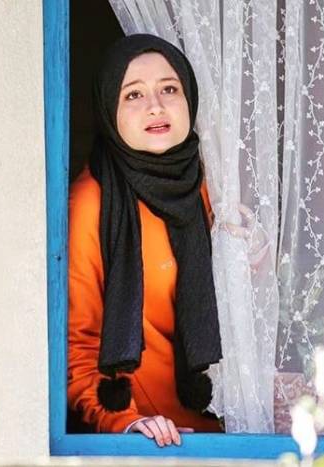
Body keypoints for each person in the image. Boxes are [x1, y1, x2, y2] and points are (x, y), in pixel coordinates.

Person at [67, 34, 223, 447]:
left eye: (169, 89)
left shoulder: (215, 185)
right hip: (153, 439)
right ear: (108, 108)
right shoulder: (92, 203)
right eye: (133, 94)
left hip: (233, 429)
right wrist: (126, 423)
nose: (155, 106)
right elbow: (77, 344)